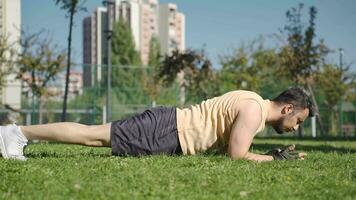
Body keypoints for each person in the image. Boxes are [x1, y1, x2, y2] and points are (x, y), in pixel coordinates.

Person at [0, 87, 314, 162]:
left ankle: (16, 134)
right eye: (298, 120)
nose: (295, 127)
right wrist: (272, 159)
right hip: (166, 130)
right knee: (92, 136)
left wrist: (267, 154)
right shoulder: (254, 112)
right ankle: (17, 133)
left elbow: (226, 148)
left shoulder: (253, 101)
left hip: (167, 127)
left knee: (93, 136)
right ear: (288, 107)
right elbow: (236, 155)